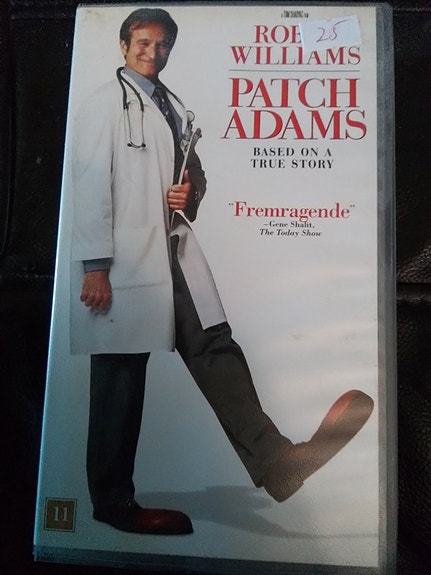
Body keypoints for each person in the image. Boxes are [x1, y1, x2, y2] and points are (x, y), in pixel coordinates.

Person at [70, 8, 374, 535]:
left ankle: (277, 464)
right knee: (120, 373)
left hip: (171, 248)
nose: (153, 52)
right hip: (123, 258)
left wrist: (190, 191)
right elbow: (90, 186)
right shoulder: (103, 105)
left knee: (215, 345)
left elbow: (192, 171)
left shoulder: (171, 105)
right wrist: (95, 267)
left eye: (162, 45)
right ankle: (112, 501)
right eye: (143, 43)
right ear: (123, 46)